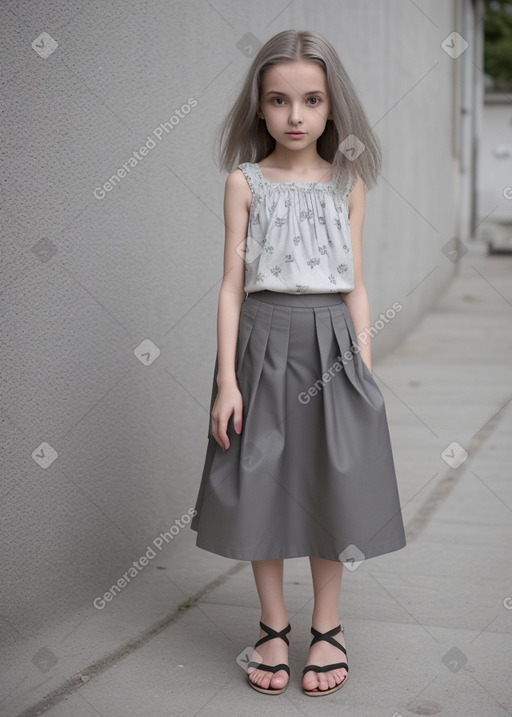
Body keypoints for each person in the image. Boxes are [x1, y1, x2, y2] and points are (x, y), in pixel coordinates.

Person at [190, 29, 407, 697]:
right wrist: (227, 379)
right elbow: (230, 283)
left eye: (311, 100)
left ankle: (329, 627)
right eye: (279, 100)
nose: (294, 116)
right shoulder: (244, 182)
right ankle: (274, 626)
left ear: (331, 106)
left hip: (331, 340)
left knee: (330, 481)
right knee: (258, 479)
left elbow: (356, 283)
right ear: (259, 106)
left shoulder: (348, 181)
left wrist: (361, 368)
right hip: (260, 339)